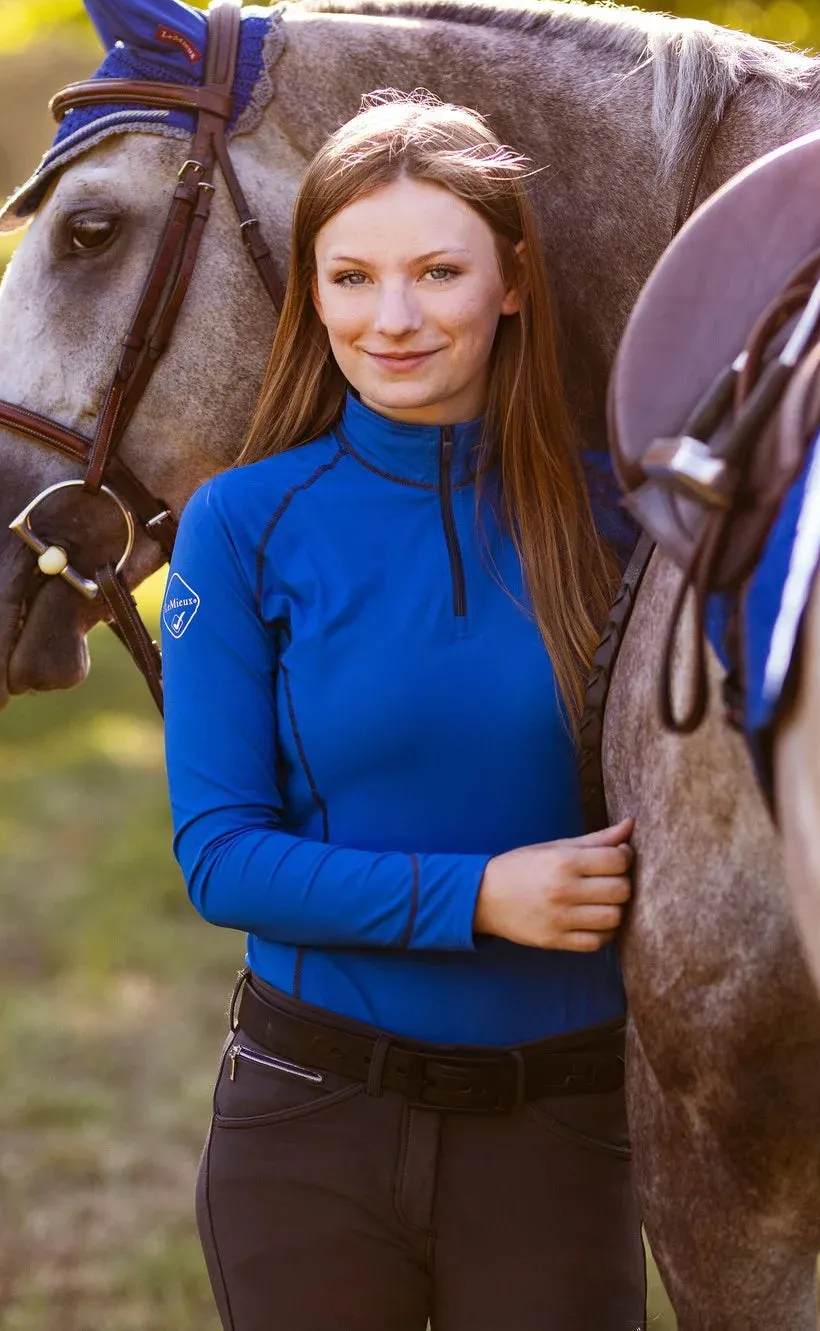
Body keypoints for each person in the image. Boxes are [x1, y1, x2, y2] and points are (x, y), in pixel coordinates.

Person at [160, 92, 645, 1331]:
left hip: (565, 1126)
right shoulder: (242, 522)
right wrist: (481, 896)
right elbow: (220, 860)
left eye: (437, 271)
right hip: (310, 1123)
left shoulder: (630, 527)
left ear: (513, 283)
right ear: (309, 291)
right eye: (352, 275)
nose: (391, 317)